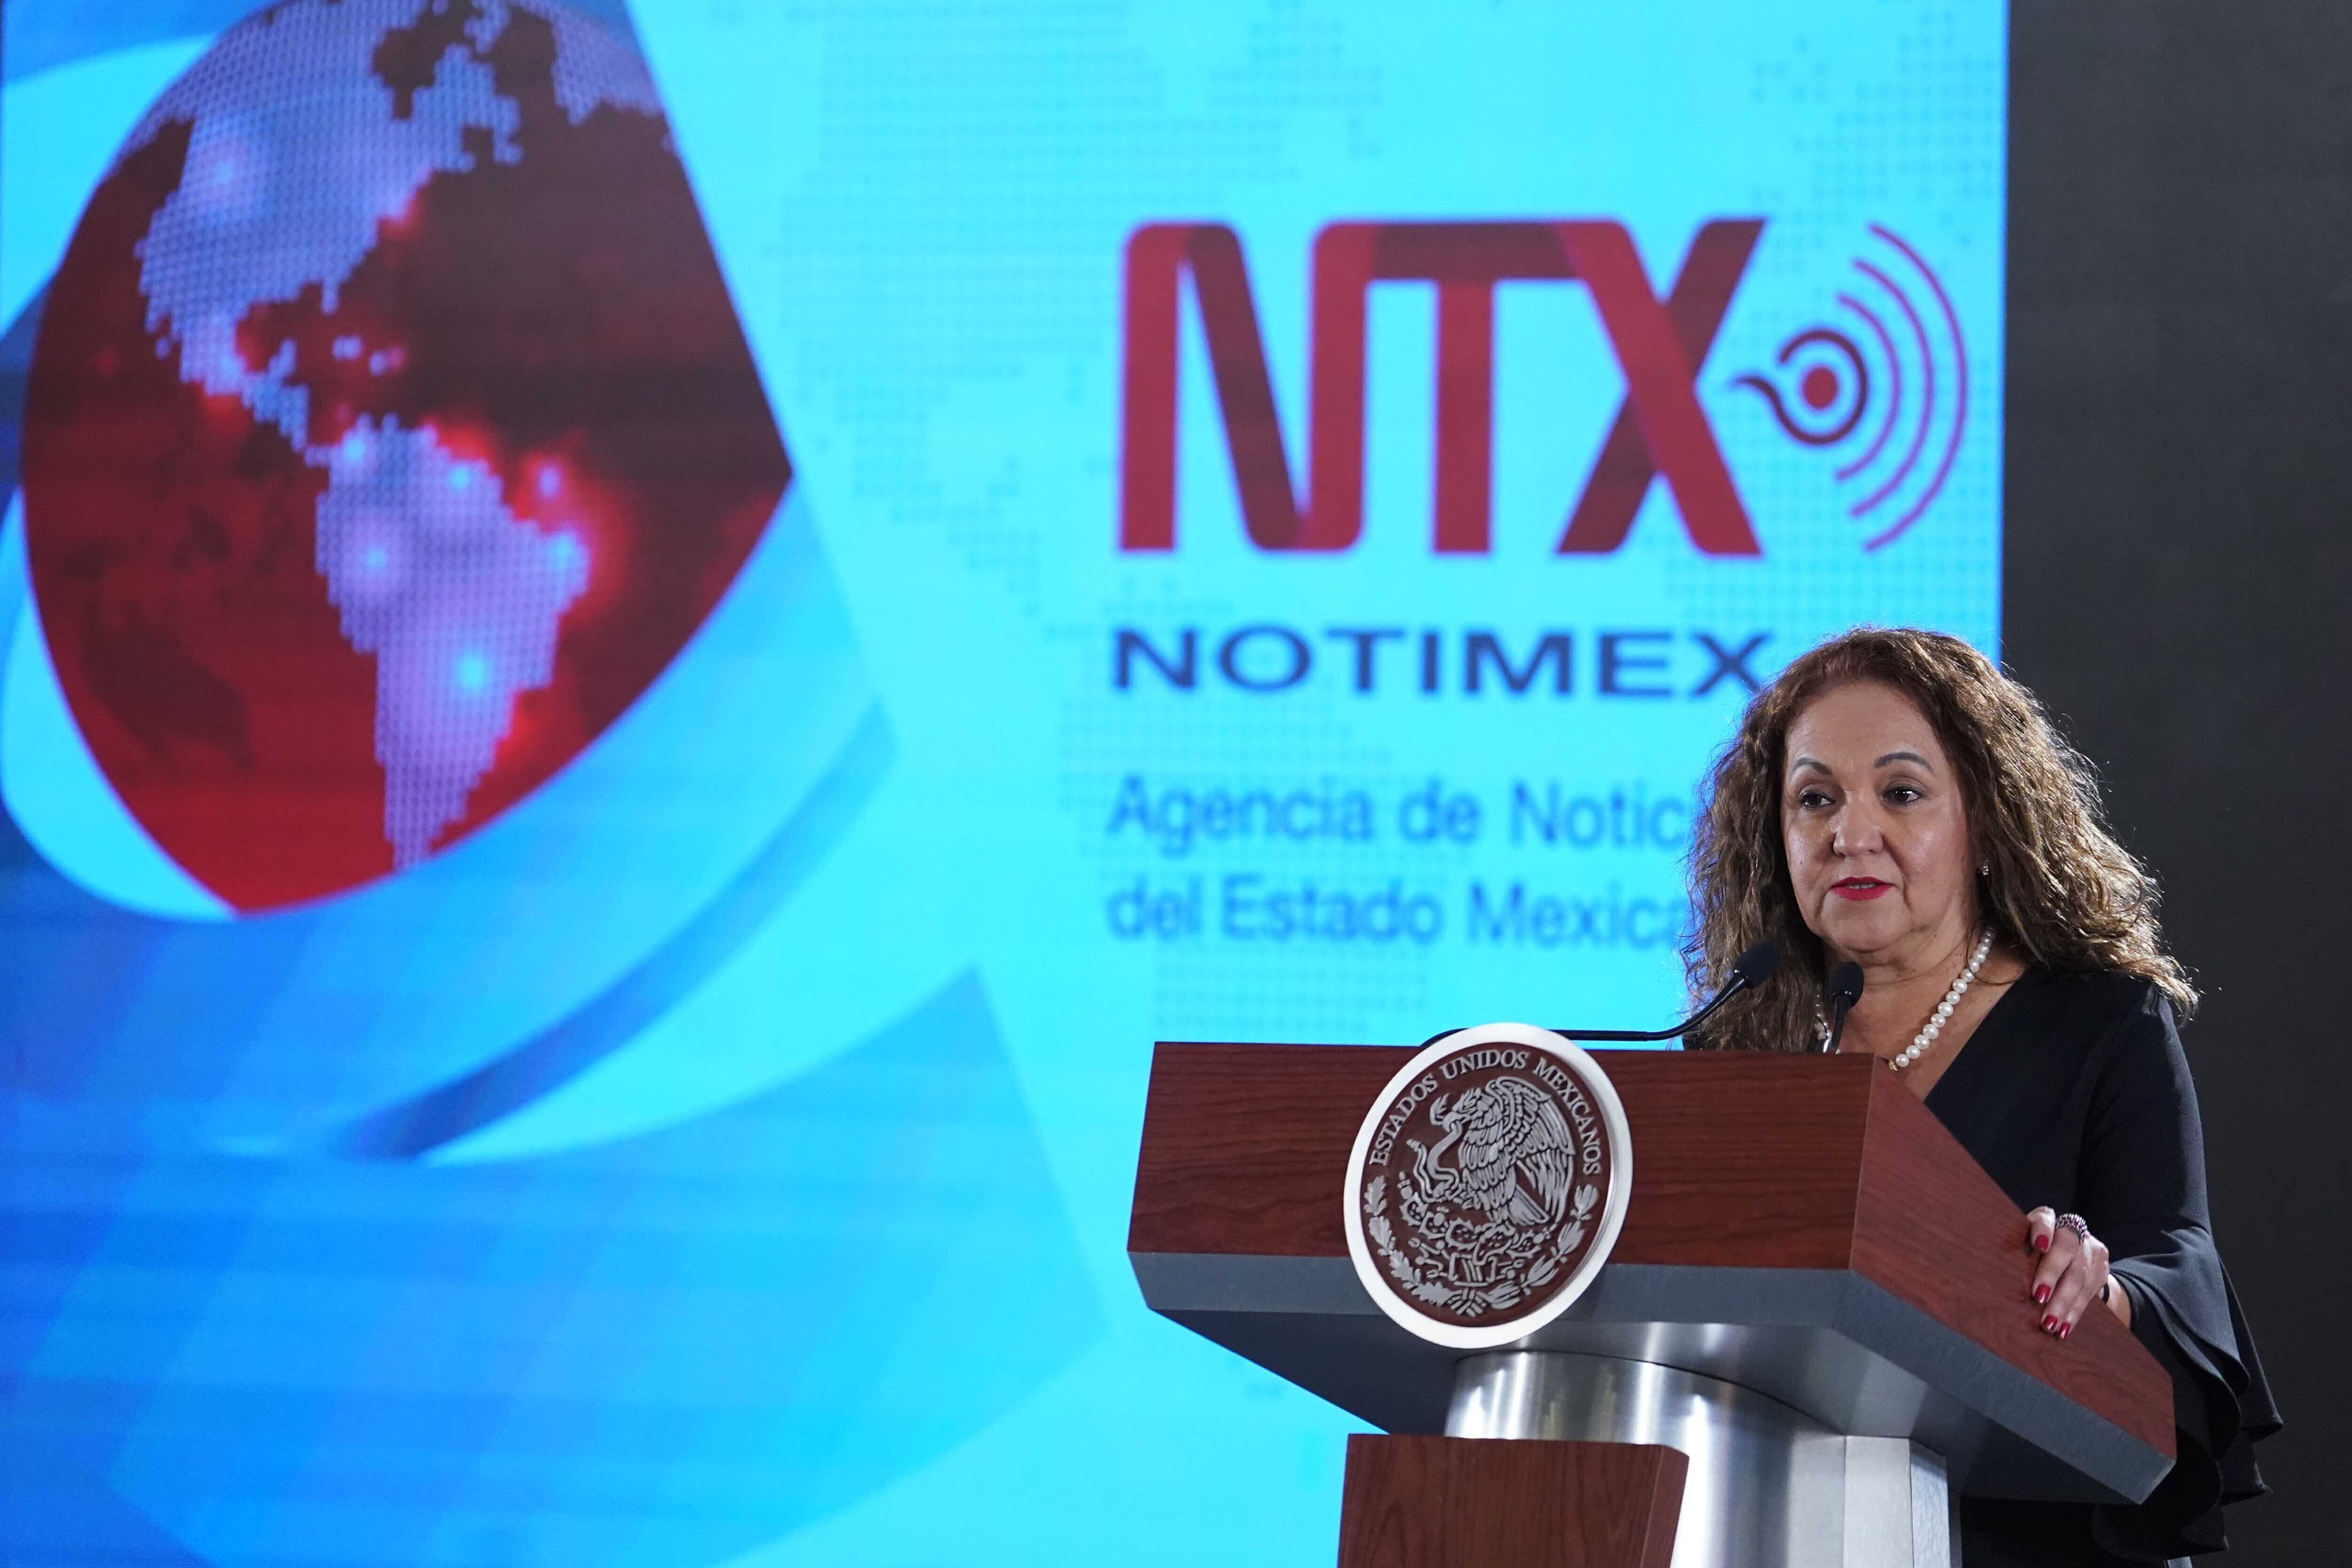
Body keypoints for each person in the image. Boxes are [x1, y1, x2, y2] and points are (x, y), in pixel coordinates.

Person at [1681, 627, 2277, 1566]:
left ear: (1984, 821)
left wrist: (2104, 1290)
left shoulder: (2098, 1021)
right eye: (1814, 799)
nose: (1850, 833)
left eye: (1901, 791)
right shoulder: (1738, 1049)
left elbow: (2176, 1256)